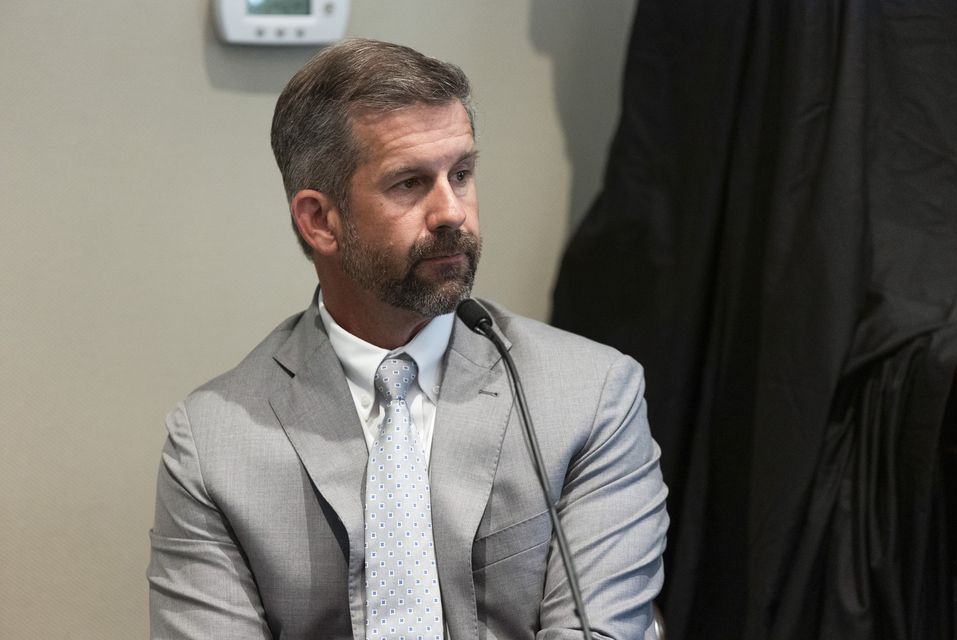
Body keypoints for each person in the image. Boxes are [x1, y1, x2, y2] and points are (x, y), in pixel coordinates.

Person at [147, 38, 668, 640]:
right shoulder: (213, 443)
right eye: (409, 184)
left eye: (463, 174)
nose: (452, 212)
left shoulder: (592, 395)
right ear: (320, 221)